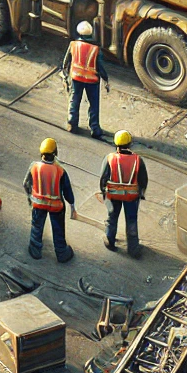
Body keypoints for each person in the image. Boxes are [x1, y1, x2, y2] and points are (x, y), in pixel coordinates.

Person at [24, 138, 76, 262]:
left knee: (37, 227)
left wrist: (30, 198)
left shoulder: (34, 167)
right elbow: (67, 192)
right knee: (58, 229)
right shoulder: (60, 171)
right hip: (56, 206)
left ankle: (35, 250)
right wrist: (72, 205)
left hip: (38, 204)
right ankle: (62, 253)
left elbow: (26, 184)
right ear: (55, 153)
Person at [100, 130, 148, 258]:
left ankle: (110, 241)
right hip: (132, 196)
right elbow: (143, 181)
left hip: (114, 195)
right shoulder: (138, 160)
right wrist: (141, 193)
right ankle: (133, 249)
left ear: (116, 144)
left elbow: (103, 179)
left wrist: (104, 193)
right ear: (130, 144)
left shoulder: (110, 158)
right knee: (131, 220)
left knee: (112, 217)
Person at [63, 20, 108, 138]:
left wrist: (65, 74)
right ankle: (95, 128)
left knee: (74, 99)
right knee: (93, 104)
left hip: (76, 77)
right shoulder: (96, 49)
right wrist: (105, 79)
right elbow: (100, 66)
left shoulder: (73, 44)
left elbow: (66, 61)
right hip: (92, 80)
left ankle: (72, 123)